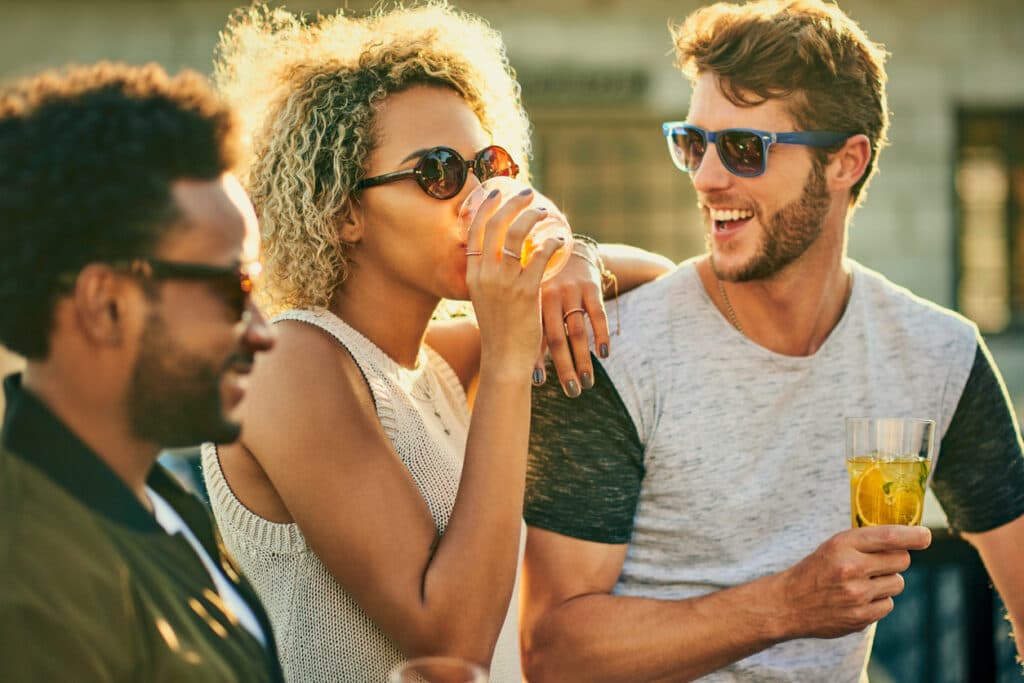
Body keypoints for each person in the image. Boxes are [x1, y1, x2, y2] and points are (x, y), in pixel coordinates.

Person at [520, 1, 1024, 681]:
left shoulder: (939, 353)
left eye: (744, 148)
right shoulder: (612, 353)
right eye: (693, 143)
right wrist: (785, 604)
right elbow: (553, 652)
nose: (705, 177)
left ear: (846, 162)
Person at [201, 4, 672, 682]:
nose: (480, 197)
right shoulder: (291, 362)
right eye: (440, 173)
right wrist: (511, 352)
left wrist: (576, 256)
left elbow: (659, 280)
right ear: (342, 211)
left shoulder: (433, 367)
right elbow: (452, 645)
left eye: (492, 164)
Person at [0, 62, 283, 681]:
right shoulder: (31, 593)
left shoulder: (154, 494)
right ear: (106, 305)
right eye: (235, 289)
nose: (263, 332)